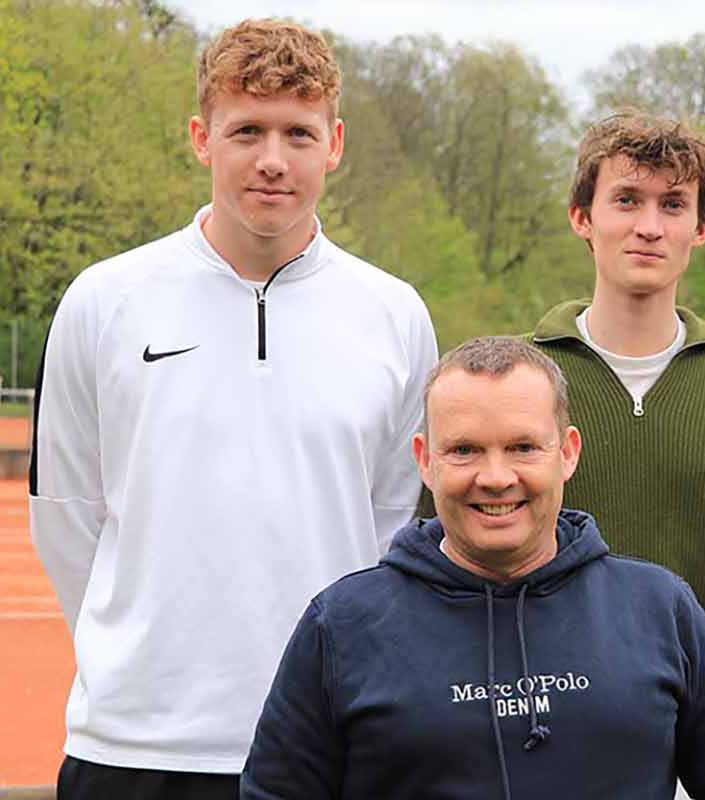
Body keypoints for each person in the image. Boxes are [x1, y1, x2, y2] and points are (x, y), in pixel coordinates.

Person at [28, 19, 437, 798]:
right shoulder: (104, 300)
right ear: (201, 137)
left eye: (298, 133)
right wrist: (140, 662)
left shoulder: (395, 314)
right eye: (247, 130)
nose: (273, 160)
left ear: (336, 143)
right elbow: (67, 514)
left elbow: (387, 523)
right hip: (134, 744)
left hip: (330, 737)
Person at [241, 336, 705, 799]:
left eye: (523, 447)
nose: (495, 477)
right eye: (466, 450)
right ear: (425, 460)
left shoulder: (659, 609)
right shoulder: (342, 627)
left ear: (567, 452)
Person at [530, 111, 705, 704]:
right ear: (583, 217)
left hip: (703, 731)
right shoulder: (511, 380)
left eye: (673, 205)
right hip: (540, 721)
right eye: (627, 200)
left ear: (701, 227)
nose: (649, 227)